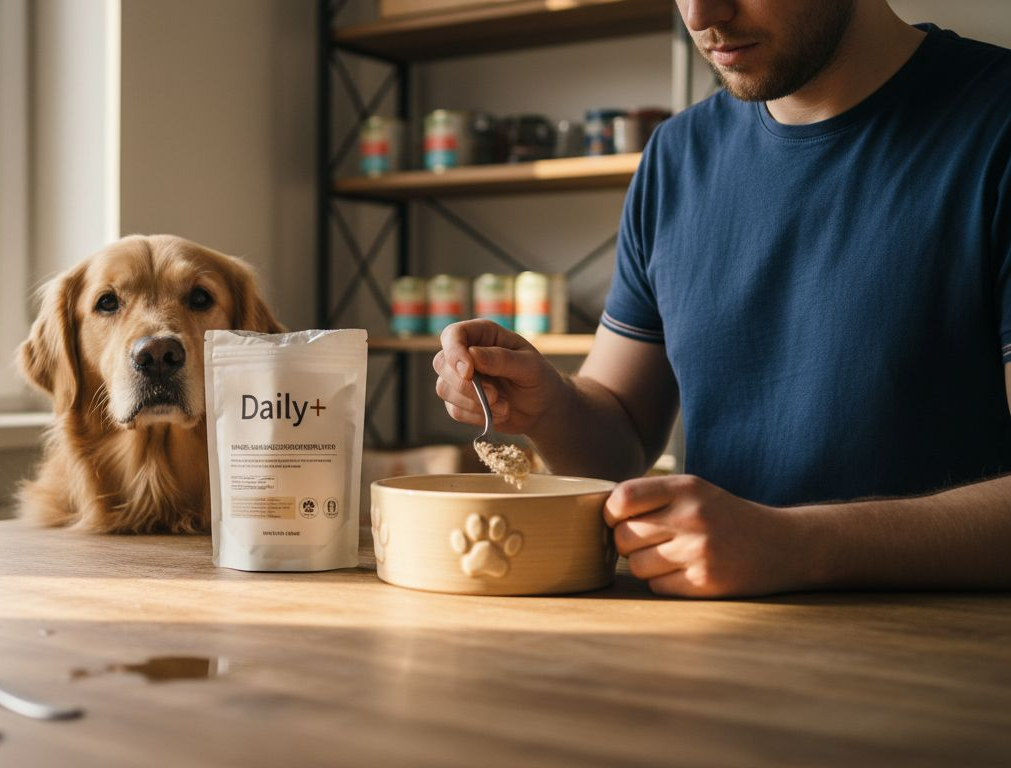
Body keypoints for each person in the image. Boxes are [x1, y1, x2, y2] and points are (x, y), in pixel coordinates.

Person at [433, 0, 1011, 598]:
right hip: (713, 647)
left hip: (947, 665)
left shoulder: (996, 122)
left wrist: (798, 543)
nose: (702, 13)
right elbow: (622, 433)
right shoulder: (676, 156)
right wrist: (546, 405)